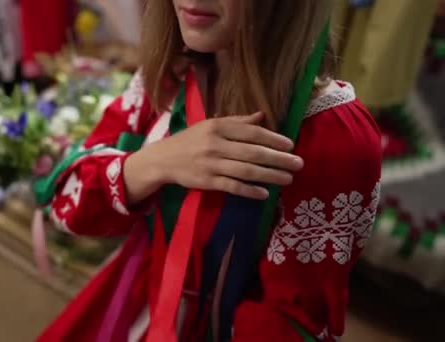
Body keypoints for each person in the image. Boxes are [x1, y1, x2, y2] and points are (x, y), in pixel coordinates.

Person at [34, 0, 382, 341]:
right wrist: (156, 162)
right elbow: (67, 201)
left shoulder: (333, 135)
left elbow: (292, 320)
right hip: (132, 303)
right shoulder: (172, 73)